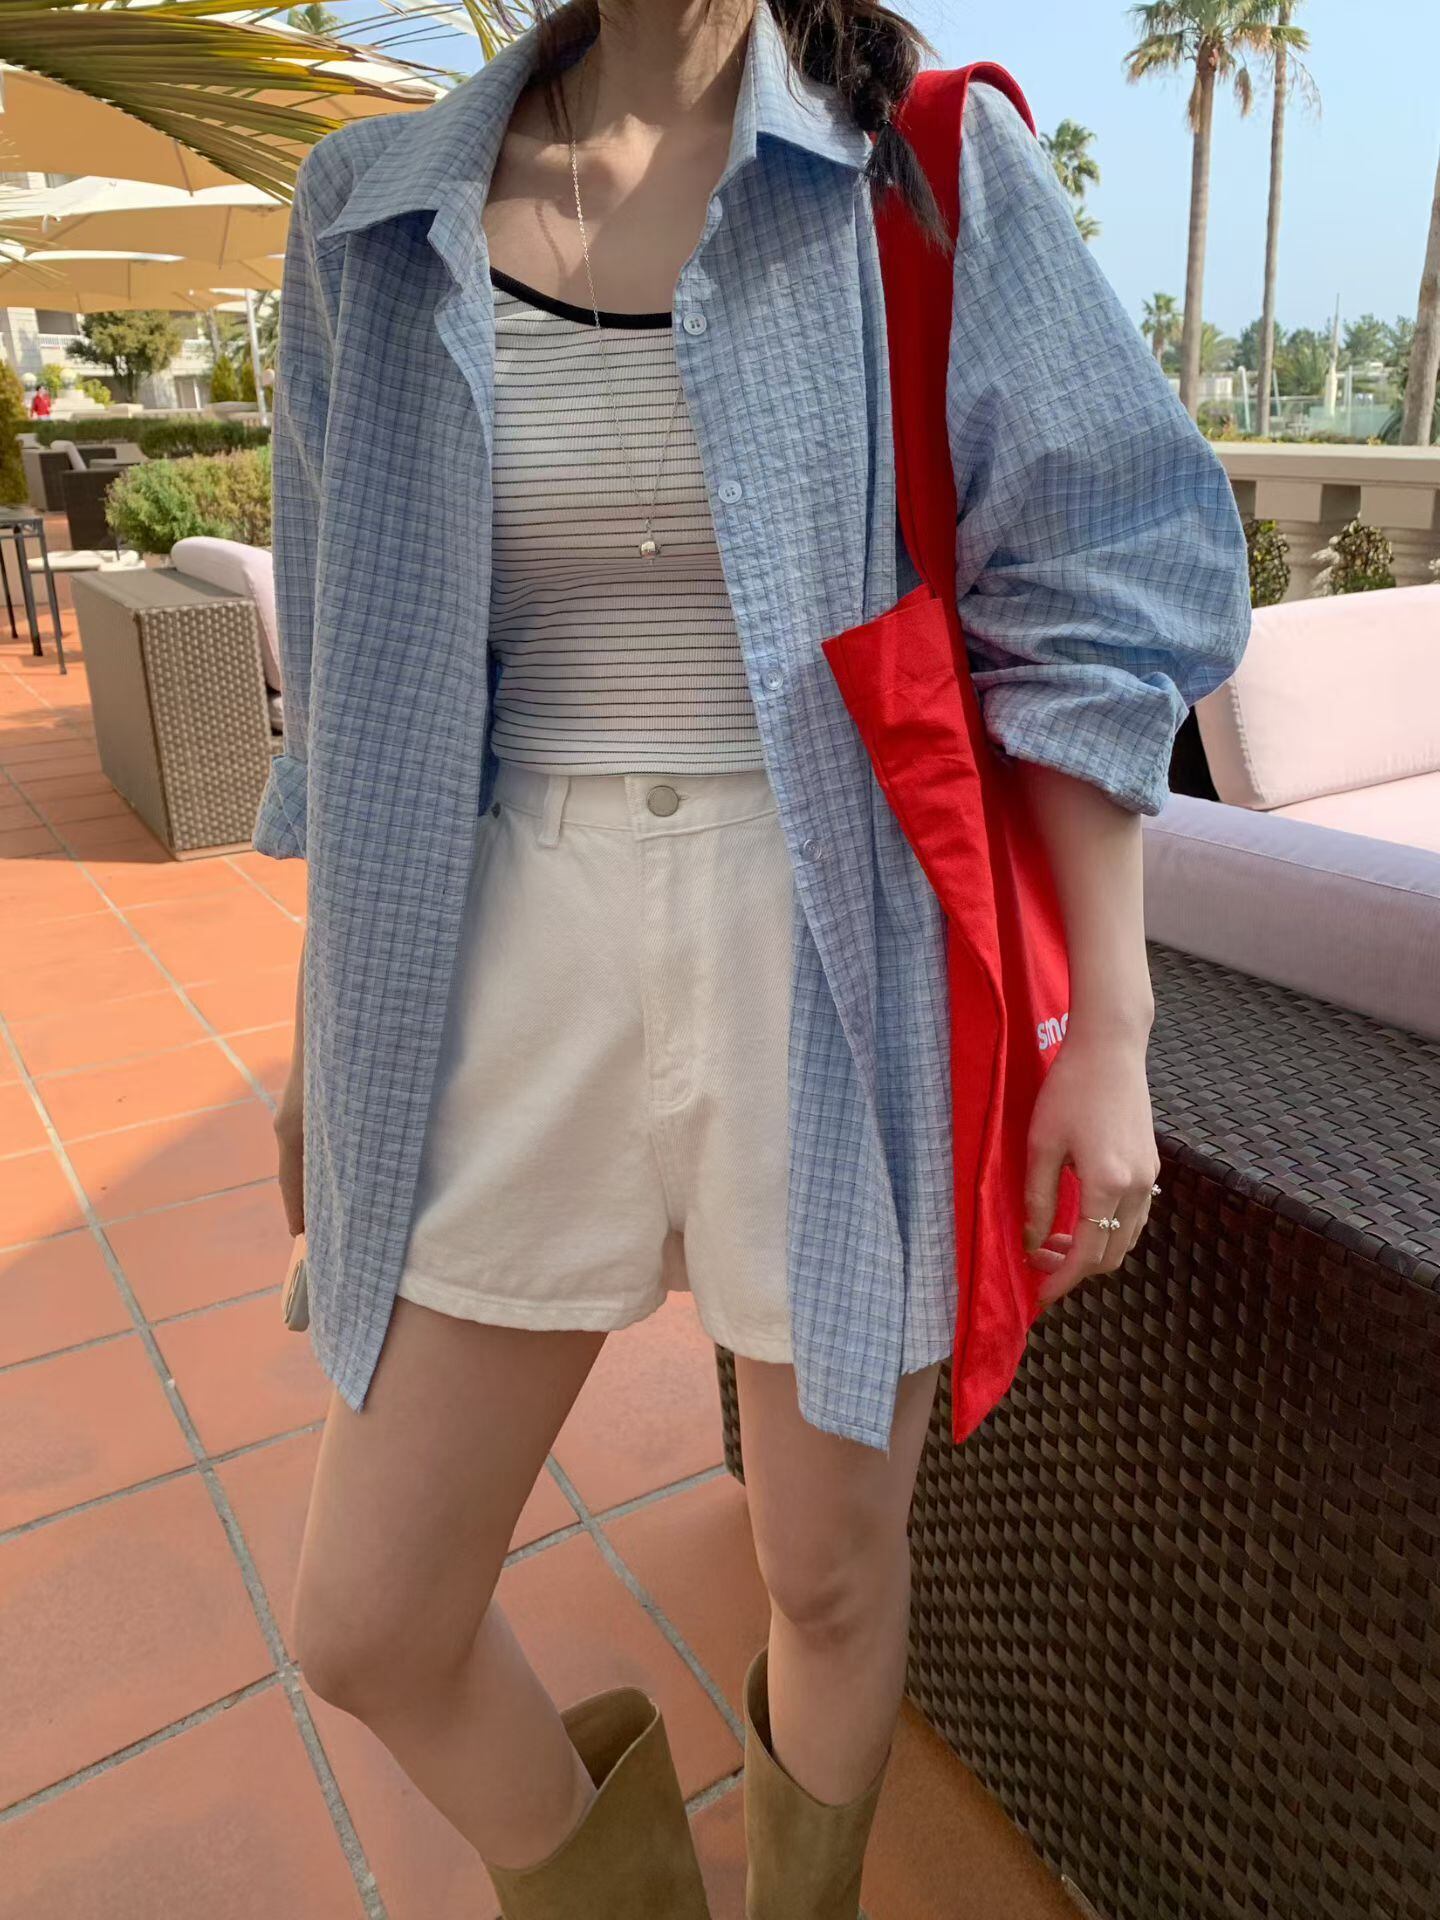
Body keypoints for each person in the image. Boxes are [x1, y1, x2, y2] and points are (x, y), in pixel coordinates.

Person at [254, 1, 1250, 1913]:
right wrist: (323, 1042)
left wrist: (1110, 1031)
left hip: (833, 939)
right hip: (497, 943)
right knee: (371, 1616)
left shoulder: (918, 168)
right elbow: (356, 696)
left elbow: (1095, 586)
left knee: (832, 1570)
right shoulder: (369, 214)